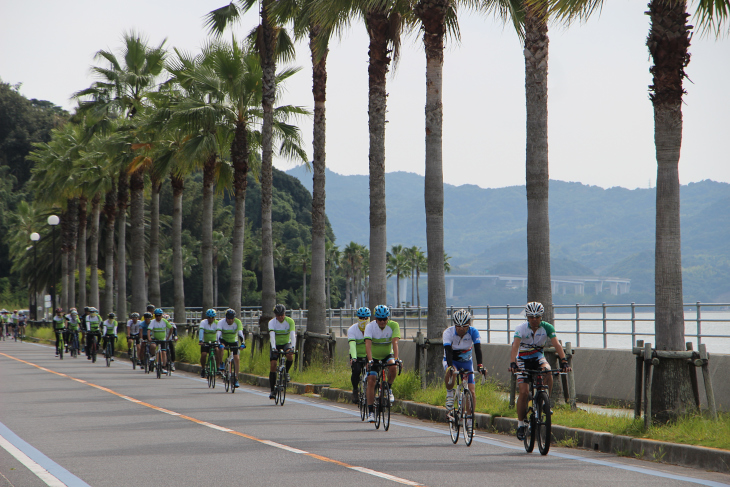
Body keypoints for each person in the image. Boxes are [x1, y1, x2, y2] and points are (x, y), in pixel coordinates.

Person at [509, 302, 572, 441]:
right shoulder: (521, 328)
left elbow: (556, 344)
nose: (534, 319)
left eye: (537, 317)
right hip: (522, 360)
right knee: (524, 392)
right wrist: (513, 363)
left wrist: (564, 361)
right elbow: (515, 346)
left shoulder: (547, 327)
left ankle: (545, 402)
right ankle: (520, 424)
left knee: (548, 370)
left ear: (541, 317)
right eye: (531, 317)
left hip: (538, 358)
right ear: (527, 317)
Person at [443, 309, 485, 429]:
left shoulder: (473, 332)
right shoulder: (448, 332)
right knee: (453, 372)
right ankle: (449, 394)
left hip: (467, 362)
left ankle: (470, 422)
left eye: (464, 327)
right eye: (458, 327)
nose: (461, 329)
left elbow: (478, 349)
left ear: (469, 325)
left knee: (471, 392)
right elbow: (448, 351)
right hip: (451, 359)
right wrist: (450, 366)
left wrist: (480, 366)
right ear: (454, 325)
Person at [364, 305, 401, 423]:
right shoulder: (370, 327)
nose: (382, 322)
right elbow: (368, 345)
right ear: (375, 319)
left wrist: (396, 358)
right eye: (379, 319)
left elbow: (395, 342)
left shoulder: (393, 325)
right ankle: (370, 412)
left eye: (385, 319)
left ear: (388, 318)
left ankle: (388, 388)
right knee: (371, 379)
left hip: (386, 355)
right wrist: (370, 360)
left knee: (393, 366)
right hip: (373, 357)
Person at [268, 304, 295, 400]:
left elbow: (292, 335)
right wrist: (274, 348)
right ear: (275, 315)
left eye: (282, 315)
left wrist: (293, 348)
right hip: (275, 344)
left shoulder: (290, 321)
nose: (280, 317)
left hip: (286, 343)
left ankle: (286, 372)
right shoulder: (272, 322)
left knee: (290, 355)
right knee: (273, 365)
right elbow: (272, 336)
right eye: (278, 315)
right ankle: (272, 391)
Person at [348, 307, 371, 403]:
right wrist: (353, 358)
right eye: (361, 318)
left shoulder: (373, 328)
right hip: (356, 354)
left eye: (366, 318)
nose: (364, 320)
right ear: (358, 318)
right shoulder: (352, 329)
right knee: (356, 371)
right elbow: (352, 345)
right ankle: (355, 390)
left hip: (368, 354)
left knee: (372, 372)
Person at [217, 309, 245, 389]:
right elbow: (218, 334)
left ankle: (236, 378)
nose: (230, 320)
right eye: (229, 319)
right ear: (226, 318)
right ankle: (221, 363)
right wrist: (219, 344)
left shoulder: (237, 322)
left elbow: (240, 334)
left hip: (233, 341)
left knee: (237, 358)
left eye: (232, 319)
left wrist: (243, 343)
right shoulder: (221, 322)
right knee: (220, 348)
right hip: (224, 340)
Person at [198, 309, 219, 378]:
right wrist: (201, 340)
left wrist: (220, 341)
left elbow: (219, 333)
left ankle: (217, 367)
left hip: (214, 341)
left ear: (214, 317)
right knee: (204, 354)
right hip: (205, 342)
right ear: (207, 317)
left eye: (212, 318)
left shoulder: (217, 323)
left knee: (217, 351)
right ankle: (203, 368)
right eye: (209, 318)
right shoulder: (203, 322)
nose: (211, 319)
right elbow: (201, 331)